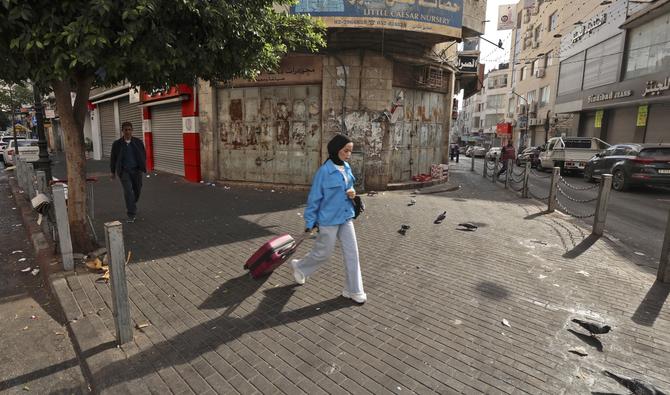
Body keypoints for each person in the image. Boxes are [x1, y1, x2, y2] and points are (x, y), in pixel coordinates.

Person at [290, 134, 367, 304]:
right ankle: (301, 267)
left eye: (350, 151)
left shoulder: (346, 168)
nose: (348, 155)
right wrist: (310, 222)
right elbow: (314, 199)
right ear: (336, 149)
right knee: (324, 253)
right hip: (328, 220)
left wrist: (352, 192)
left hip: (346, 217)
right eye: (346, 151)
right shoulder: (324, 172)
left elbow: (349, 186)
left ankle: (353, 290)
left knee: (352, 253)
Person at [110, 121, 147, 223]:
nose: (128, 132)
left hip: (136, 171)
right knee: (128, 192)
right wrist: (113, 172)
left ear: (132, 131)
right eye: (125, 130)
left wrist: (142, 165)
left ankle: (132, 204)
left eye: (129, 129)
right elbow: (113, 158)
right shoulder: (117, 144)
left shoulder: (138, 142)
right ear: (122, 131)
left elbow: (143, 154)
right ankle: (131, 214)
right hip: (124, 172)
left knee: (137, 190)